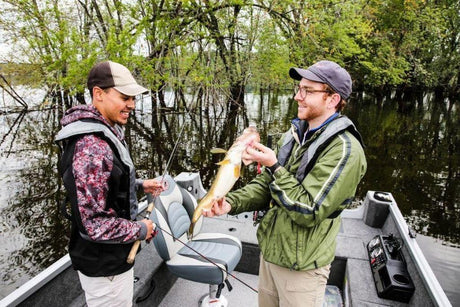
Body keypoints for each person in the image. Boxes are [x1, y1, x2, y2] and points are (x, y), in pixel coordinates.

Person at [203, 60, 367, 306]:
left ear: (332, 99)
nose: (297, 97)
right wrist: (230, 203)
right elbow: (265, 185)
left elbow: (309, 211)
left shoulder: (345, 150)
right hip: (271, 255)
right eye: (298, 88)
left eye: (307, 91)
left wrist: (274, 166)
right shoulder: (293, 136)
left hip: (302, 269)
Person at [55, 61, 164, 307]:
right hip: (105, 269)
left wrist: (141, 184)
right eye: (125, 97)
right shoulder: (91, 146)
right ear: (98, 94)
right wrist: (140, 229)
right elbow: (93, 224)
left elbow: (104, 184)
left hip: (112, 260)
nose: (132, 105)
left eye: (133, 98)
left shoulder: (103, 132)